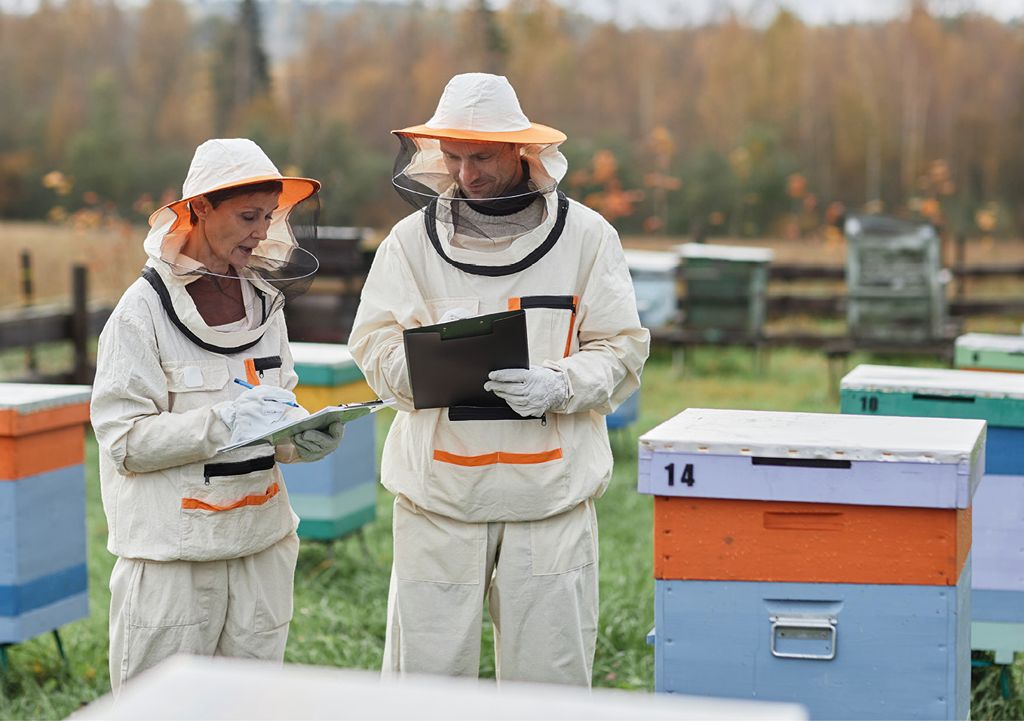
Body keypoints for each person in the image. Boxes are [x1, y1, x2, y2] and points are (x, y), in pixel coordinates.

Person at [348, 73, 650, 685]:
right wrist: (426, 370)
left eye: (481, 156)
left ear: (522, 149)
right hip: (437, 497)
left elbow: (621, 348)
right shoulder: (409, 244)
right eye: (453, 158)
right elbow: (373, 344)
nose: (467, 174)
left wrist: (561, 384)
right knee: (426, 682)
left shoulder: (588, 238)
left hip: (550, 497)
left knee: (551, 681)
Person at [91, 138, 344, 692]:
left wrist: (301, 440)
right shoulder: (141, 312)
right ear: (200, 208)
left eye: (269, 216)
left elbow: (279, 408)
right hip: (174, 562)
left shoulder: (263, 301)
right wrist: (223, 424)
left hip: (262, 546)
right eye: (248, 216)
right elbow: (123, 442)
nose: (262, 231)